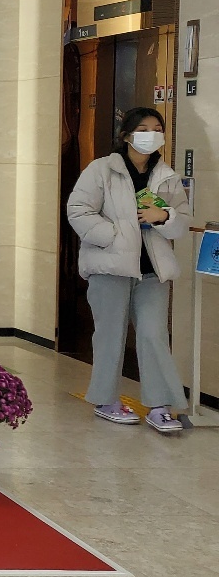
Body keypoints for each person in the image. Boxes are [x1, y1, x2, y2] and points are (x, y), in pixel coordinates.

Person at [66, 107, 191, 433]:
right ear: (126, 135)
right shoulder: (102, 169)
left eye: (157, 128)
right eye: (144, 129)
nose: (152, 134)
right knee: (110, 335)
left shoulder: (166, 176)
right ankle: (106, 400)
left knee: (153, 335)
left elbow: (182, 222)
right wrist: (112, 236)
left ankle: (160, 406)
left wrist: (164, 217)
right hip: (111, 266)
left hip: (152, 271)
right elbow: (77, 210)